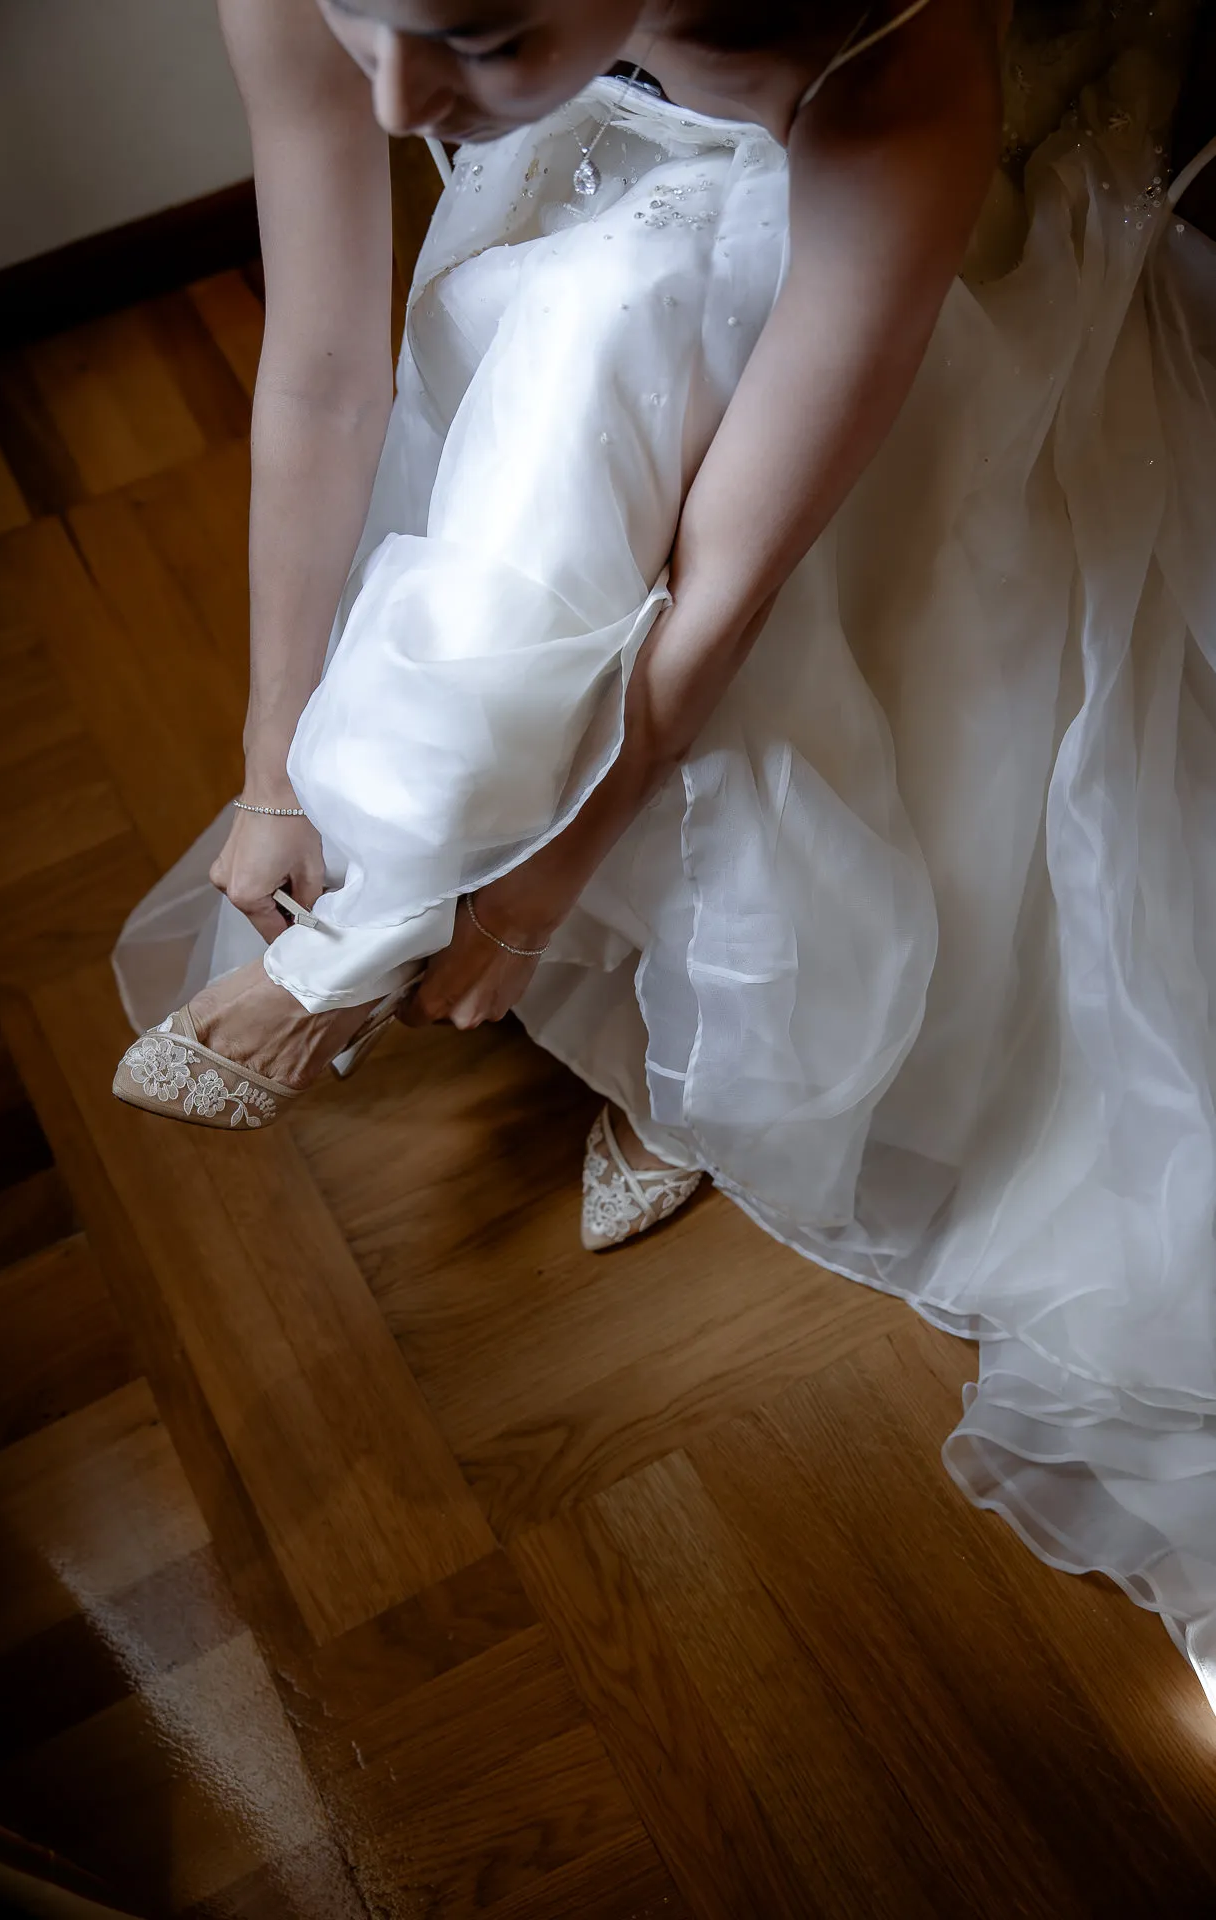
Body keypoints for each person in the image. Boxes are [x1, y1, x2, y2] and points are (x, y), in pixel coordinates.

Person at [111, 0, 1216, 1708]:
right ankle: (464, 959)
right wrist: (269, 770)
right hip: (614, 205)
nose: (398, 104)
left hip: (943, 249)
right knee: (581, 332)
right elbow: (324, 372)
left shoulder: (885, 41)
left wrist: (530, 895)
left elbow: (726, 587)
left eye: (476, 33)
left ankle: (377, 943)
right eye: (362, 17)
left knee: (611, 327)